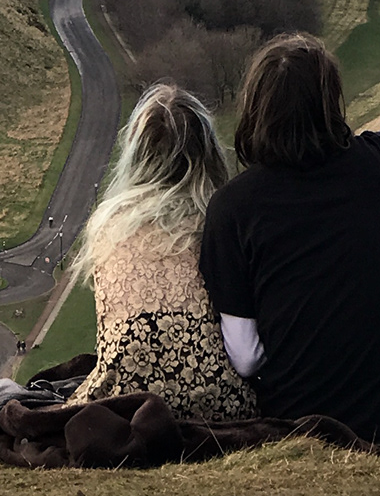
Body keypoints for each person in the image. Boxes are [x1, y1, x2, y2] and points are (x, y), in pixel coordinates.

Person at [200, 33, 380, 443]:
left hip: (303, 427)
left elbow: (245, 358)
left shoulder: (232, 209)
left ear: (255, 108)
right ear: (331, 103)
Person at [68, 83, 254, 421]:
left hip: (123, 402)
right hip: (222, 401)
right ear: (208, 150)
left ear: (136, 153)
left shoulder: (109, 224)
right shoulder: (221, 218)